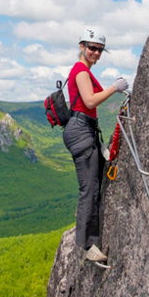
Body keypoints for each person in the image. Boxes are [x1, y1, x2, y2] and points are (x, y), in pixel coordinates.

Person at [62, 29, 129, 263]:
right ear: (82, 46)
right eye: (92, 48)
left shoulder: (86, 72)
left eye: (100, 50)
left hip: (85, 130)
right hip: (81, 131)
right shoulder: (80, 71)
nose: (96, 53)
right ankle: (88, 245)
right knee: (89, 187)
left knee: (96, 179)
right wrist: (115, 87)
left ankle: (84, 217)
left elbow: (93, 99)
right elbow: (90, 100)